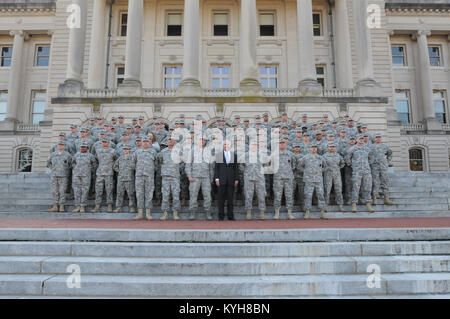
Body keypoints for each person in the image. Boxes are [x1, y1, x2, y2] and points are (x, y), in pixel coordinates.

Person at [185, 136, 214, 220]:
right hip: (195, 177)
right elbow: (188, 164)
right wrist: (189, 176)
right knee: (193, 195)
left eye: (203, 140)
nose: (202, 141)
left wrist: (211, 177)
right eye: (200, 140)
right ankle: (192, 212)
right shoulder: (192, 151)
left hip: (206, 177)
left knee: (207, 195)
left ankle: (208, 212)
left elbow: (211, 166)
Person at [346, 135, 375, 213]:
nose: (361, 140)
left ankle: (368, 204)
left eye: (362, 139)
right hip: (357, 171)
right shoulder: (352, 149)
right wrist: (353, 165)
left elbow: (371, 158)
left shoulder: (367, 148)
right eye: (360, 139)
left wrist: (367, 164)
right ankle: (354, 204)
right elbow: (347, 158)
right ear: (356, 140)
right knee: (355, 188)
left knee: (368, 188)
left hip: (366, 171)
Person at [299, 142, 327, 220]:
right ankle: (307, 211)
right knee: (308, 196)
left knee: (321, 195)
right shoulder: (305, 158)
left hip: (318, 180)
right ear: (309, 148)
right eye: (312, 147)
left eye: (315, 147)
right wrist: (306, 172)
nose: (314, 148)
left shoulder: (320, 158)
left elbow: (325, 167)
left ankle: (322, 211)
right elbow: (299, 167)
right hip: (309, 180)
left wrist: (319, 172)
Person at [241, 140, 267, 220]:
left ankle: (262, 212)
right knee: (248, 196)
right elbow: (241, 166)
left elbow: (265, 165)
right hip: (249, 178)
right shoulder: (245, 155)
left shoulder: (262, 155)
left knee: (261, 195)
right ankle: (249, 212)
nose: (254, 146)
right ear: (249, 146)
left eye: (255, 145)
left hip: (260, 178)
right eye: (252, 145)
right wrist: (246, 173)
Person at [133, 136, 158, 220]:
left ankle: (148, 213)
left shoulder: (153, 152)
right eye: (144, 141)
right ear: (142, 142)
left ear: (150, 142)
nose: (145, 143)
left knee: (149, 194)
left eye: (147, 141)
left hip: (149, 176)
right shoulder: (137, 152)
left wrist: (150, 171)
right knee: (139, 194)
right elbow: (133, 164)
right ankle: (140, 213)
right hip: (139, 176)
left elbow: (156, 164)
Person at [157, 136, 181, 220]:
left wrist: (177, 170)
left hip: (175, 176)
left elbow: (182, 163)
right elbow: (159, 162)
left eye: (172, 139)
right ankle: (165, 213)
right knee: (165, 195)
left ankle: (175, 213)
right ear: (167, 141)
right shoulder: (162, 152)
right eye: (169, 139)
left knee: (176, 195)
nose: (171, 141)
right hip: (166, 176)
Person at [272, 138, 296, 220]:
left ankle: (289, 213)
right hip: (278, 178)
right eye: (280, 143)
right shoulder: (274, 154)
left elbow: (293, 165)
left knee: (289, 195)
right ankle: (277, 213)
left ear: (286, 144)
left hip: (288, 178)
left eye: (283, 143)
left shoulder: (290, 154)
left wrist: (287, 172)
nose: (282, 144)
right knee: (277, 196)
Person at [214, 140, 239, 221]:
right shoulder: (219, 155)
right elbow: (216, 168)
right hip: (221, 179)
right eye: (224, 144)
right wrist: (216, 179)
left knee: (230, 199)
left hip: (231, 180)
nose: (226, 145)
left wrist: (236, 179)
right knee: (221, 199)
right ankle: (221, 216)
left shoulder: (234, 155)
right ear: (223, 145)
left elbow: (236, 168)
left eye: (228, 144)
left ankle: (230, 216)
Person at [92, 139, 117, 213]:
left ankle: (109, 205)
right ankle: (97, 206)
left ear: (108, 143)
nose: (104, 143)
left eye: (106, 142)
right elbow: (96, 160)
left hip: (109, 173)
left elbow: (116, 160)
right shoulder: (98, 150)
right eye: (103, 142)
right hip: (100, 173)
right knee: (98, 190)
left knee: (109, 190)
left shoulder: (113, 151)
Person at [47, 141, 72, 213]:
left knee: (62, 191)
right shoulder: (53, 154)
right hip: (54, 175)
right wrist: (53, 169)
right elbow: (48, 164)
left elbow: (70, 165)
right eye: (59, 145)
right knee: (54, 191)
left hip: (63, 175)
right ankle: (55, 205)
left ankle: (62, 206)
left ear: (64, 146)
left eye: (62, 145)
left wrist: (65, 170)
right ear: (57, 146)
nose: (60, 146)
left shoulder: (68, 155)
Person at [72, 142, 97, 213]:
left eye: (84, 147)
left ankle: (82, 206)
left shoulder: (90, 156)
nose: (83, 148)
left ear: (87, 148)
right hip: (77, 175)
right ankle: (77, 206)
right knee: (77, 191)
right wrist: (75, 168)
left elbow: (94, 164)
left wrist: (89, 170)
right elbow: (73, 163)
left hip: (86, 175)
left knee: (85, 191)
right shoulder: (76, 155)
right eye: (82, 147)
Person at [370, 133, 394, 206]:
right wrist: (370, 162)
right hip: (374, 167)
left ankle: (386, 199)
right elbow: (367, 155)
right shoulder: (371, 146)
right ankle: (374, 198)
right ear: (374, 139)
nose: (378, 139)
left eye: (379, 137)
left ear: (381, 138)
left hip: (383, 167)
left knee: (385, 182)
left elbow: (390, 154)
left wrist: (387, 162)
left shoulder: (385, 146)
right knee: (375, 182)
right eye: (376, 137)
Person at [323, 142, 346, 212]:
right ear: (328, 147)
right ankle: (325, 205)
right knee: (327, 190)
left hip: (337, 175)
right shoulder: (324, 156)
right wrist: (326, 169)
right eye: (330, 147)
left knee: (338, 190)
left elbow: (343, 163)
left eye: (333, 147)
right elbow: (321, 165)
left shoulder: (338, 156)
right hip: (328, 175)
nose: (331, 148)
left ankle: (340, 205)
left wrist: (338, 168)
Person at [113, 145, 136, 214]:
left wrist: (131, 170)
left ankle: (132, 207)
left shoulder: (132, 157)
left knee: (131, 193)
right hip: (121, 178)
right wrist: (119, 171)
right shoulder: (120, 158)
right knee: (119, 193)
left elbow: (136, 167)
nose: (125, 150)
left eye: (127, 149)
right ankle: (118, 207)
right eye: (124, 149)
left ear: (129, 150)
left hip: (129, 178)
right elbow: (115, 166)